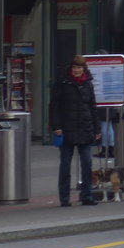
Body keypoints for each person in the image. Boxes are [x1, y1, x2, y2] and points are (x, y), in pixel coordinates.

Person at [49, 54, 102, 207]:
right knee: (65, 164)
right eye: (75, 67)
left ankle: (87, 195)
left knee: (87, 163)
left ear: (84, 68)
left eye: (79, 67)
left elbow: (93, 107)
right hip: (66, 129)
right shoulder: (62, 83)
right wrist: (56, 127)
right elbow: (54, 107)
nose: (77, 70)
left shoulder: (88, 83)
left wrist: (97, 128)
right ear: (71, 68)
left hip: (85, 129)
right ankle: (64, 198)